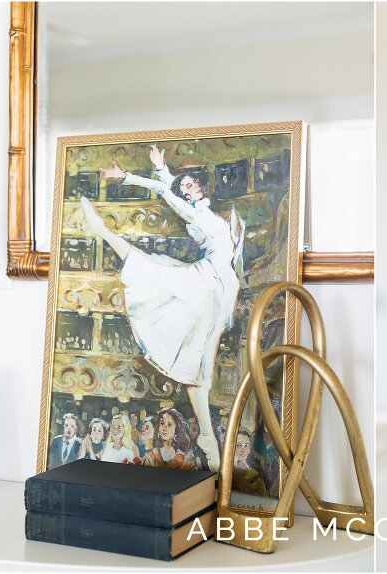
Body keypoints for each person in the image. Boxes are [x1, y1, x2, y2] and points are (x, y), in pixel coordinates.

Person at [80, 145, 244, 471]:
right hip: (205, 284)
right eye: (187, 188)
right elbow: (164, 190)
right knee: (148, 271)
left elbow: (170, 184)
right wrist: (130, 176)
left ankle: (208, 439)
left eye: (193, 184)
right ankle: (102, 231)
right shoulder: (193, 213)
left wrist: (167, 171)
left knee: (201, 367)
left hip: (224, 292)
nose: (193, 186)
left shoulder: (208, 212)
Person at [233, 429, 268, 497]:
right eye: (238, 445)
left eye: (246, 446)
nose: (243, 450)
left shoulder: (255, 474)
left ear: (249, 450)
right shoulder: (227, 470)